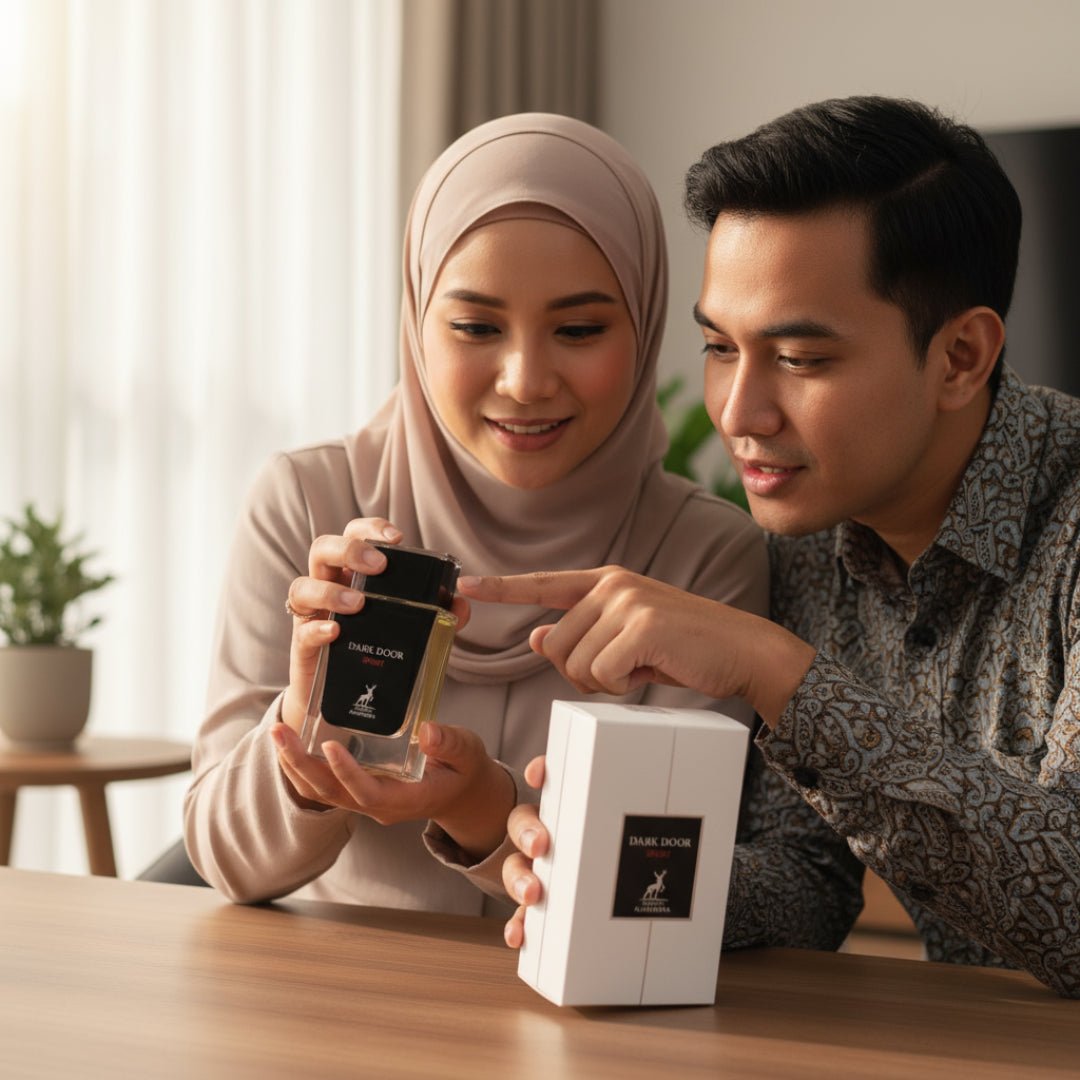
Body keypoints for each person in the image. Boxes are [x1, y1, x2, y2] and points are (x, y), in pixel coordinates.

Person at [461, 96, 1080, 997]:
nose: (739, 415)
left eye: (798, 359)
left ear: (960, 357)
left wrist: (776, 670)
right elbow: (807, 886)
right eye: (719, 347)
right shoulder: (811, 539)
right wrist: (597, 865)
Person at [182, 112, 767, 914]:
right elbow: (223, 864)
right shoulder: (309, 507)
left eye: (579, 328)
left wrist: (483, 814)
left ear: (646, 322)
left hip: (584, 1031)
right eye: (475, 327)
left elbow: (657, 901)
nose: (525, 379)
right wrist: (302, 733)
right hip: (321, 1015)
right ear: (418, 323)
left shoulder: (702, 559)